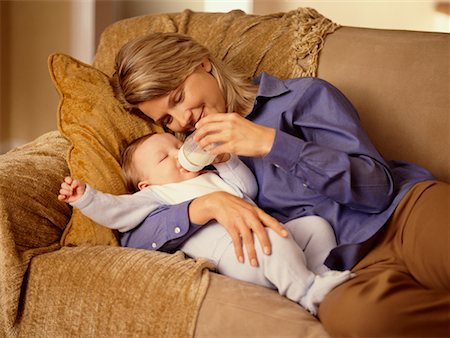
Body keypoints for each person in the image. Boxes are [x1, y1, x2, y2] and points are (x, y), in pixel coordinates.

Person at [110, 32, 449, 336]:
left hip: (404, 214)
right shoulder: (191, 166)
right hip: (340, 268)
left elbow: (379, 190)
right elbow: (132, 236)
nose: (182, 120)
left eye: (178, 97)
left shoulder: (302, 97)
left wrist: (272, 144)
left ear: (203, 64)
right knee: (364, 321)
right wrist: (205, 206)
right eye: (167, 119)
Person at [58, 132, 353, 315]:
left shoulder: (210, 176)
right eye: (164, 158)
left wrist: (225, 159)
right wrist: (86, 198)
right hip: (238, 255)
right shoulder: (157, 196)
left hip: (267, 237)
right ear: (145, 184)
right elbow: (118, 212)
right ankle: (304, 291)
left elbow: (246, 189)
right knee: (271, 242)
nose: (178, 155)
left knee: (315, 226)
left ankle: (317, 275)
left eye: (177, 145)